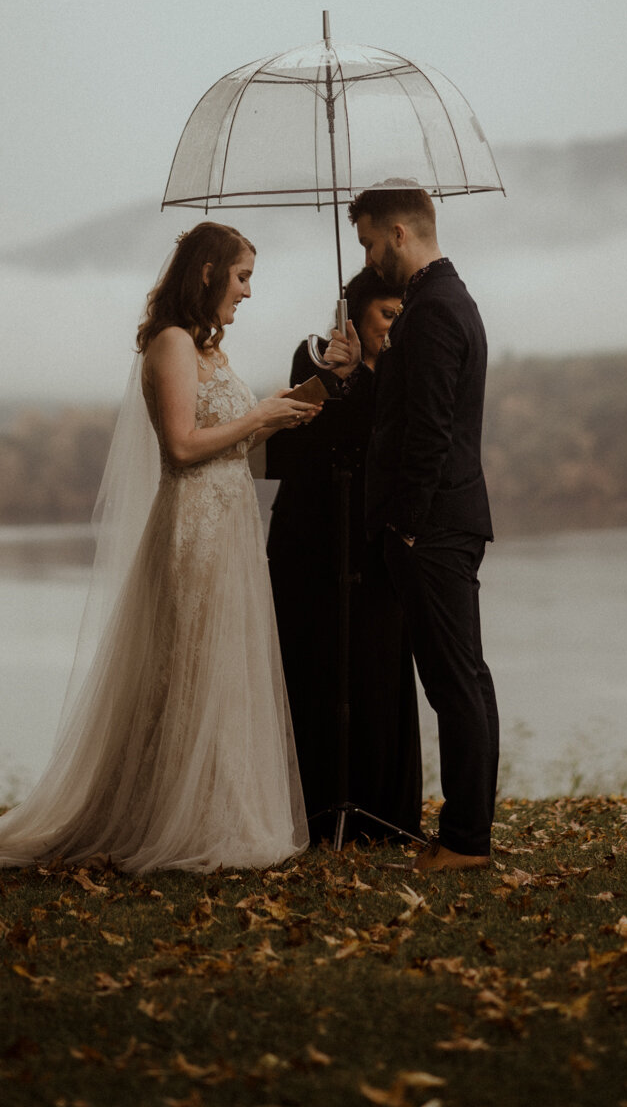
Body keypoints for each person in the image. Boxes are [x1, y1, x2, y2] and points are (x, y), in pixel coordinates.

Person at [0, 222, 321, 876]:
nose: (247, 294)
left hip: (231, 522)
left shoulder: (213, 354)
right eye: (241, 278)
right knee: (186, 666)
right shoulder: (171, 343)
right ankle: (163, 817)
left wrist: (280, 411)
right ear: (207, 273)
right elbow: (180, 448)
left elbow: (233, 441)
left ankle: (215, 809)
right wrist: (258, 417)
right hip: (193, 527)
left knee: (220, 667)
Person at [326, 184, 498, 874]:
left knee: (455, 684)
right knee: (463, 681)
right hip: (443, 521)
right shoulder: (442, 302)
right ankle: (463, 835)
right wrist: (356, 374)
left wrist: (402, 525)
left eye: (368, 241)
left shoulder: (431, 311)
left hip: (430, 528)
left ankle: (463, 842)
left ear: (399, 232)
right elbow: (405, 415)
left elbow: (426, 433)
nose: (368, 256)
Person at [265, 266, 422, 843]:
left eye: (402, 317)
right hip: (311, 542)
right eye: (386, 314)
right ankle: (314, 807)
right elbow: (303, 440)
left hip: (376, 542)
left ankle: (384, 811)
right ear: (353, 313)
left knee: (379, 667)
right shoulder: (312, 356)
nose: (393, 327)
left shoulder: (406, 370)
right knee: (314, 665)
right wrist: (340, 375)